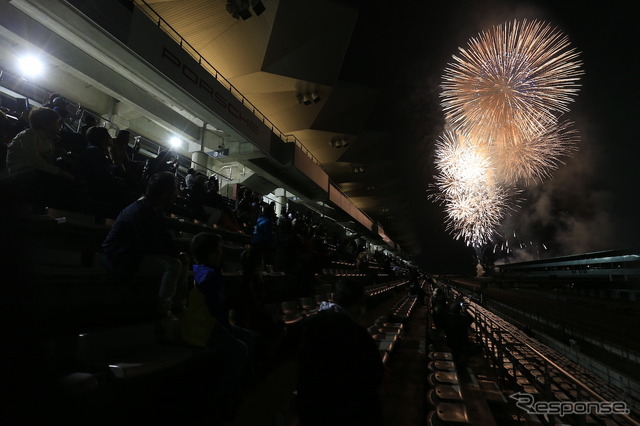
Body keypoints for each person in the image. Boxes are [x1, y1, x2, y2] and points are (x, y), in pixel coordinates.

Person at [101, 171, 188, 319]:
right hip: (120, 258)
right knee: (173, 265)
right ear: (163, 192)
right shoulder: (140, 210)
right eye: (174, 190)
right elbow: (150, 242)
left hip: (136, 254)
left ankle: (179, 306)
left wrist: (178, 253)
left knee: (183, 260)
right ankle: (163, 311)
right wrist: (174, 255)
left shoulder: (154, 209)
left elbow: (164, 238)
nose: (176, 194)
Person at [297, 279, 384, 426]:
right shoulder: (356, 333)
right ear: (359, 303)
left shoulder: (310, 324)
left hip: (311, 409)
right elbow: (374, 375)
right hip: (343, 412)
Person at [185, 232, 254, 417]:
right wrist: (228, 328)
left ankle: (236, 388)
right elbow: (217, 310)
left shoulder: (205, 270)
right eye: (218, 248)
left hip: (209, 324)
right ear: (211, 253)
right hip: (204, 329)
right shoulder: (209, 277)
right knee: (241, 349)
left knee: (248, 337)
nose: (221, 251)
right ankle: (220, 396)